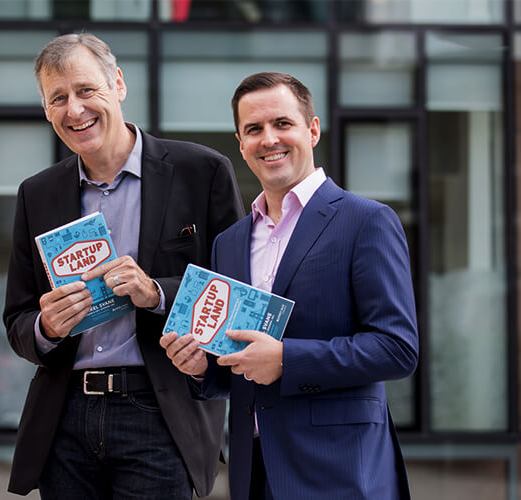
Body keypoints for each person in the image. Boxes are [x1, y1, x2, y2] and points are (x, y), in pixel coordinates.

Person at [3, 33, 245, 499]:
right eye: (58, 99)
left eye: (86, 90)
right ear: (46, 110)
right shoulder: (37, 193)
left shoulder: (202, 172)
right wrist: (46, 328)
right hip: (64, 419)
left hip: (159, 412)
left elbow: (236, 293)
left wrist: (156, 291)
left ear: (118, 84)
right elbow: (17, 319)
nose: (74, 109)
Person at [160, 72, 419, 500]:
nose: (269, 139)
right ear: (241, 145)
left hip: (342, 471)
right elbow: (241, 365)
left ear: (312, 129)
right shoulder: (230, 243)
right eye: (254, 129)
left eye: (283, 123)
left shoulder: (366, 221)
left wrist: (287, 359)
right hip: (255, 472)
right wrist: (202, 368)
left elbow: (397, 348)